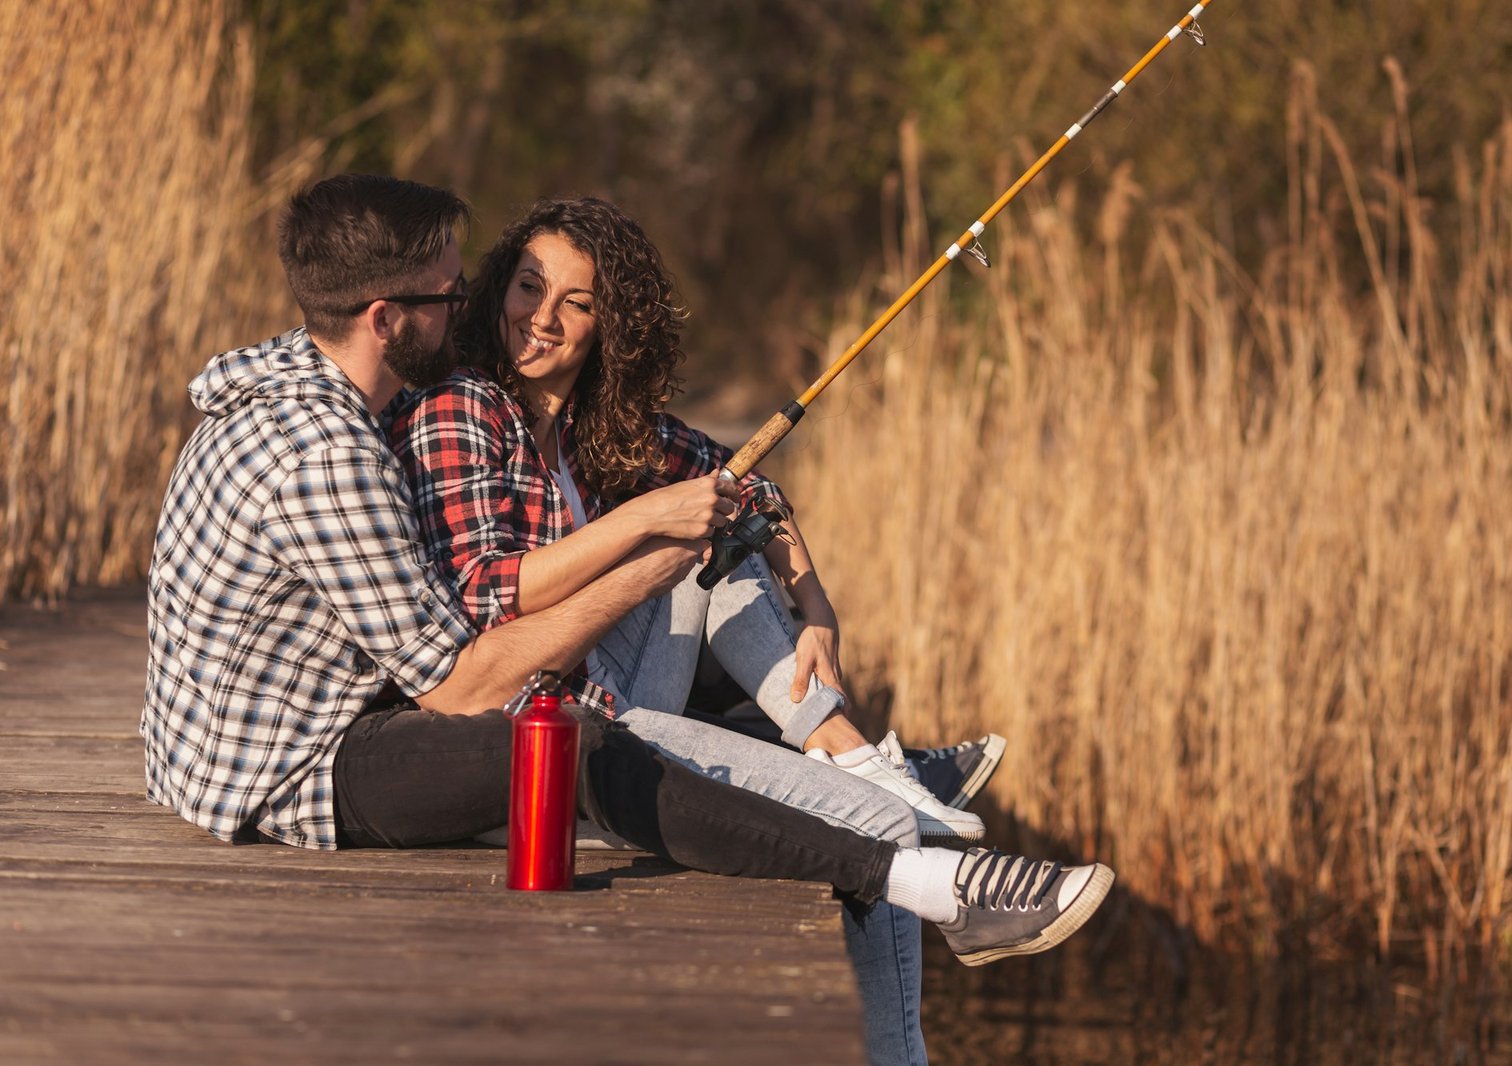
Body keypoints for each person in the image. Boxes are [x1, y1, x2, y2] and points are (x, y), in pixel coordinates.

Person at [140, 174, 1114, 1066]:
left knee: (715, 549)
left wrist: (806, 598)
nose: (481, 305)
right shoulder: (365, 438)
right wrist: (650, 540)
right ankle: (915, 856)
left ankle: (852, 763)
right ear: (387, 317)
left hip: (369, 726)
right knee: (838, 803)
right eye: (464, 290)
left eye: (572, 301)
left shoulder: (302, 385)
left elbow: (739, 484)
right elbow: (465, 670)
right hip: (306, 768)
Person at [386, 195, 1002, 844]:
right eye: (529, 288)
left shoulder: (599, 428)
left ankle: (842, 746)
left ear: (609, 324)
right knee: (876, 825)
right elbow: (486, 591)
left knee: (723, 519)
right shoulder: (463, 404)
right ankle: (854, 760)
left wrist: (818, 613)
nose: (542, 318)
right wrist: (642, 519)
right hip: (535, 736)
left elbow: (754, 488)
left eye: (577, 302)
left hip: (615, 693)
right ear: (499, 289)